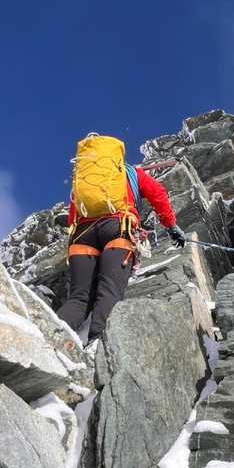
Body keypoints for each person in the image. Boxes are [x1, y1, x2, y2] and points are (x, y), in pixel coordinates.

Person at [56, 133, 186, 345]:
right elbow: (158, 194)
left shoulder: (83, 180)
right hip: (118, 228)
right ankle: (99, 345)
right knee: (109, 291)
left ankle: (47, 339)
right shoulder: (132, 174)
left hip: (81, 236)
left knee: (79, 299)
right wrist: (171, 226)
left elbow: (73, 216)